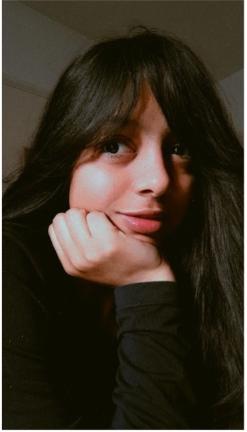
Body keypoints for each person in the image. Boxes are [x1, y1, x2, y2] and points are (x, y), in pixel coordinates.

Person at [3, 28, 243, 429]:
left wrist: (145, 285)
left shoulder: (220, 273)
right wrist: (146, 284)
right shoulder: (7, 266)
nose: (160, 180)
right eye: (114, 145)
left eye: (180, 148)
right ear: (63, 161)